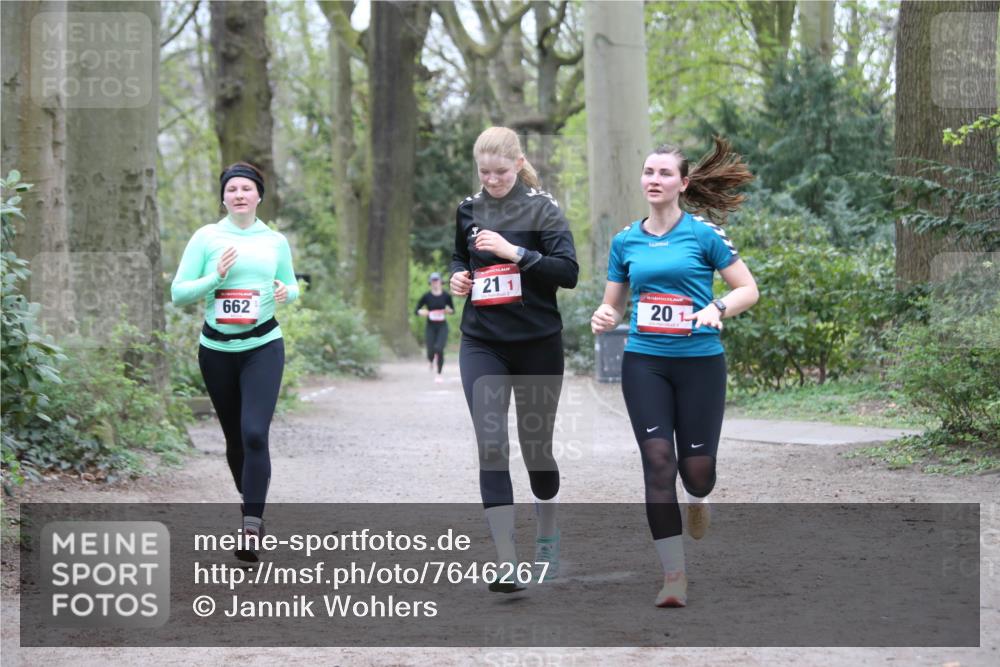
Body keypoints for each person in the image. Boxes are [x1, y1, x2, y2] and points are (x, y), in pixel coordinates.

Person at [590, 137, 759, 607]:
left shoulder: (704, 235)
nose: (654, 180)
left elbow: (748, 289)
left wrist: (717, 307)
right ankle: (673, 576)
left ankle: (699, 498)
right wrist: (603, 316)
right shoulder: (626, 240)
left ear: (683, 183)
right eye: (648, 172)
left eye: (665, 173)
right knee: (659, 462)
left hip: (701, 362)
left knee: (696, 472)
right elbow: (612, 304)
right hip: (645, 362)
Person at [450, 127, 579, 592]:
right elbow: (457, 259)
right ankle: (506, 560)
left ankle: (547, 532)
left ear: (518, 163)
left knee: (536, 447)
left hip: (537, 342)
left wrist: (515, 253)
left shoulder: (542, 208)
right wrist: (459, 278)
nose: (492, 180)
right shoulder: (469, 208)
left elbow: (568, 272)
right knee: (491, 444)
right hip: (483, 340)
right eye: (484, 172)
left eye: (500, 172)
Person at [171, 161, 299, 563]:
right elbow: (179, 292)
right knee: (234, 439)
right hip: (217, 352)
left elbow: (292, 284)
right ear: (224, 197)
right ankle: (251, 500)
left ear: (259, 195)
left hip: (263, 345)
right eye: (232, 190)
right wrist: (215, 278)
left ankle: (251, 525)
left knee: (255, 433)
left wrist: (285, 292)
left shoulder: (274, 241)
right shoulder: (206, 237)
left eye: (246, 188)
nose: (239, 195)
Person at [414, 272, 455, 382]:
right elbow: (416, 310)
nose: (435, 283)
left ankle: (439, 373)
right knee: (431, 350)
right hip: (430, 326)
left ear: (440, 282)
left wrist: (448, 311)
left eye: (437, 281)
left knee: (439, 348)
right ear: (430, 283)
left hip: (442, 326)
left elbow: (452, 310)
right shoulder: (426, 296)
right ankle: (431, 359)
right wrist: (422, 312)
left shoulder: (446, 296)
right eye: (433, 281)